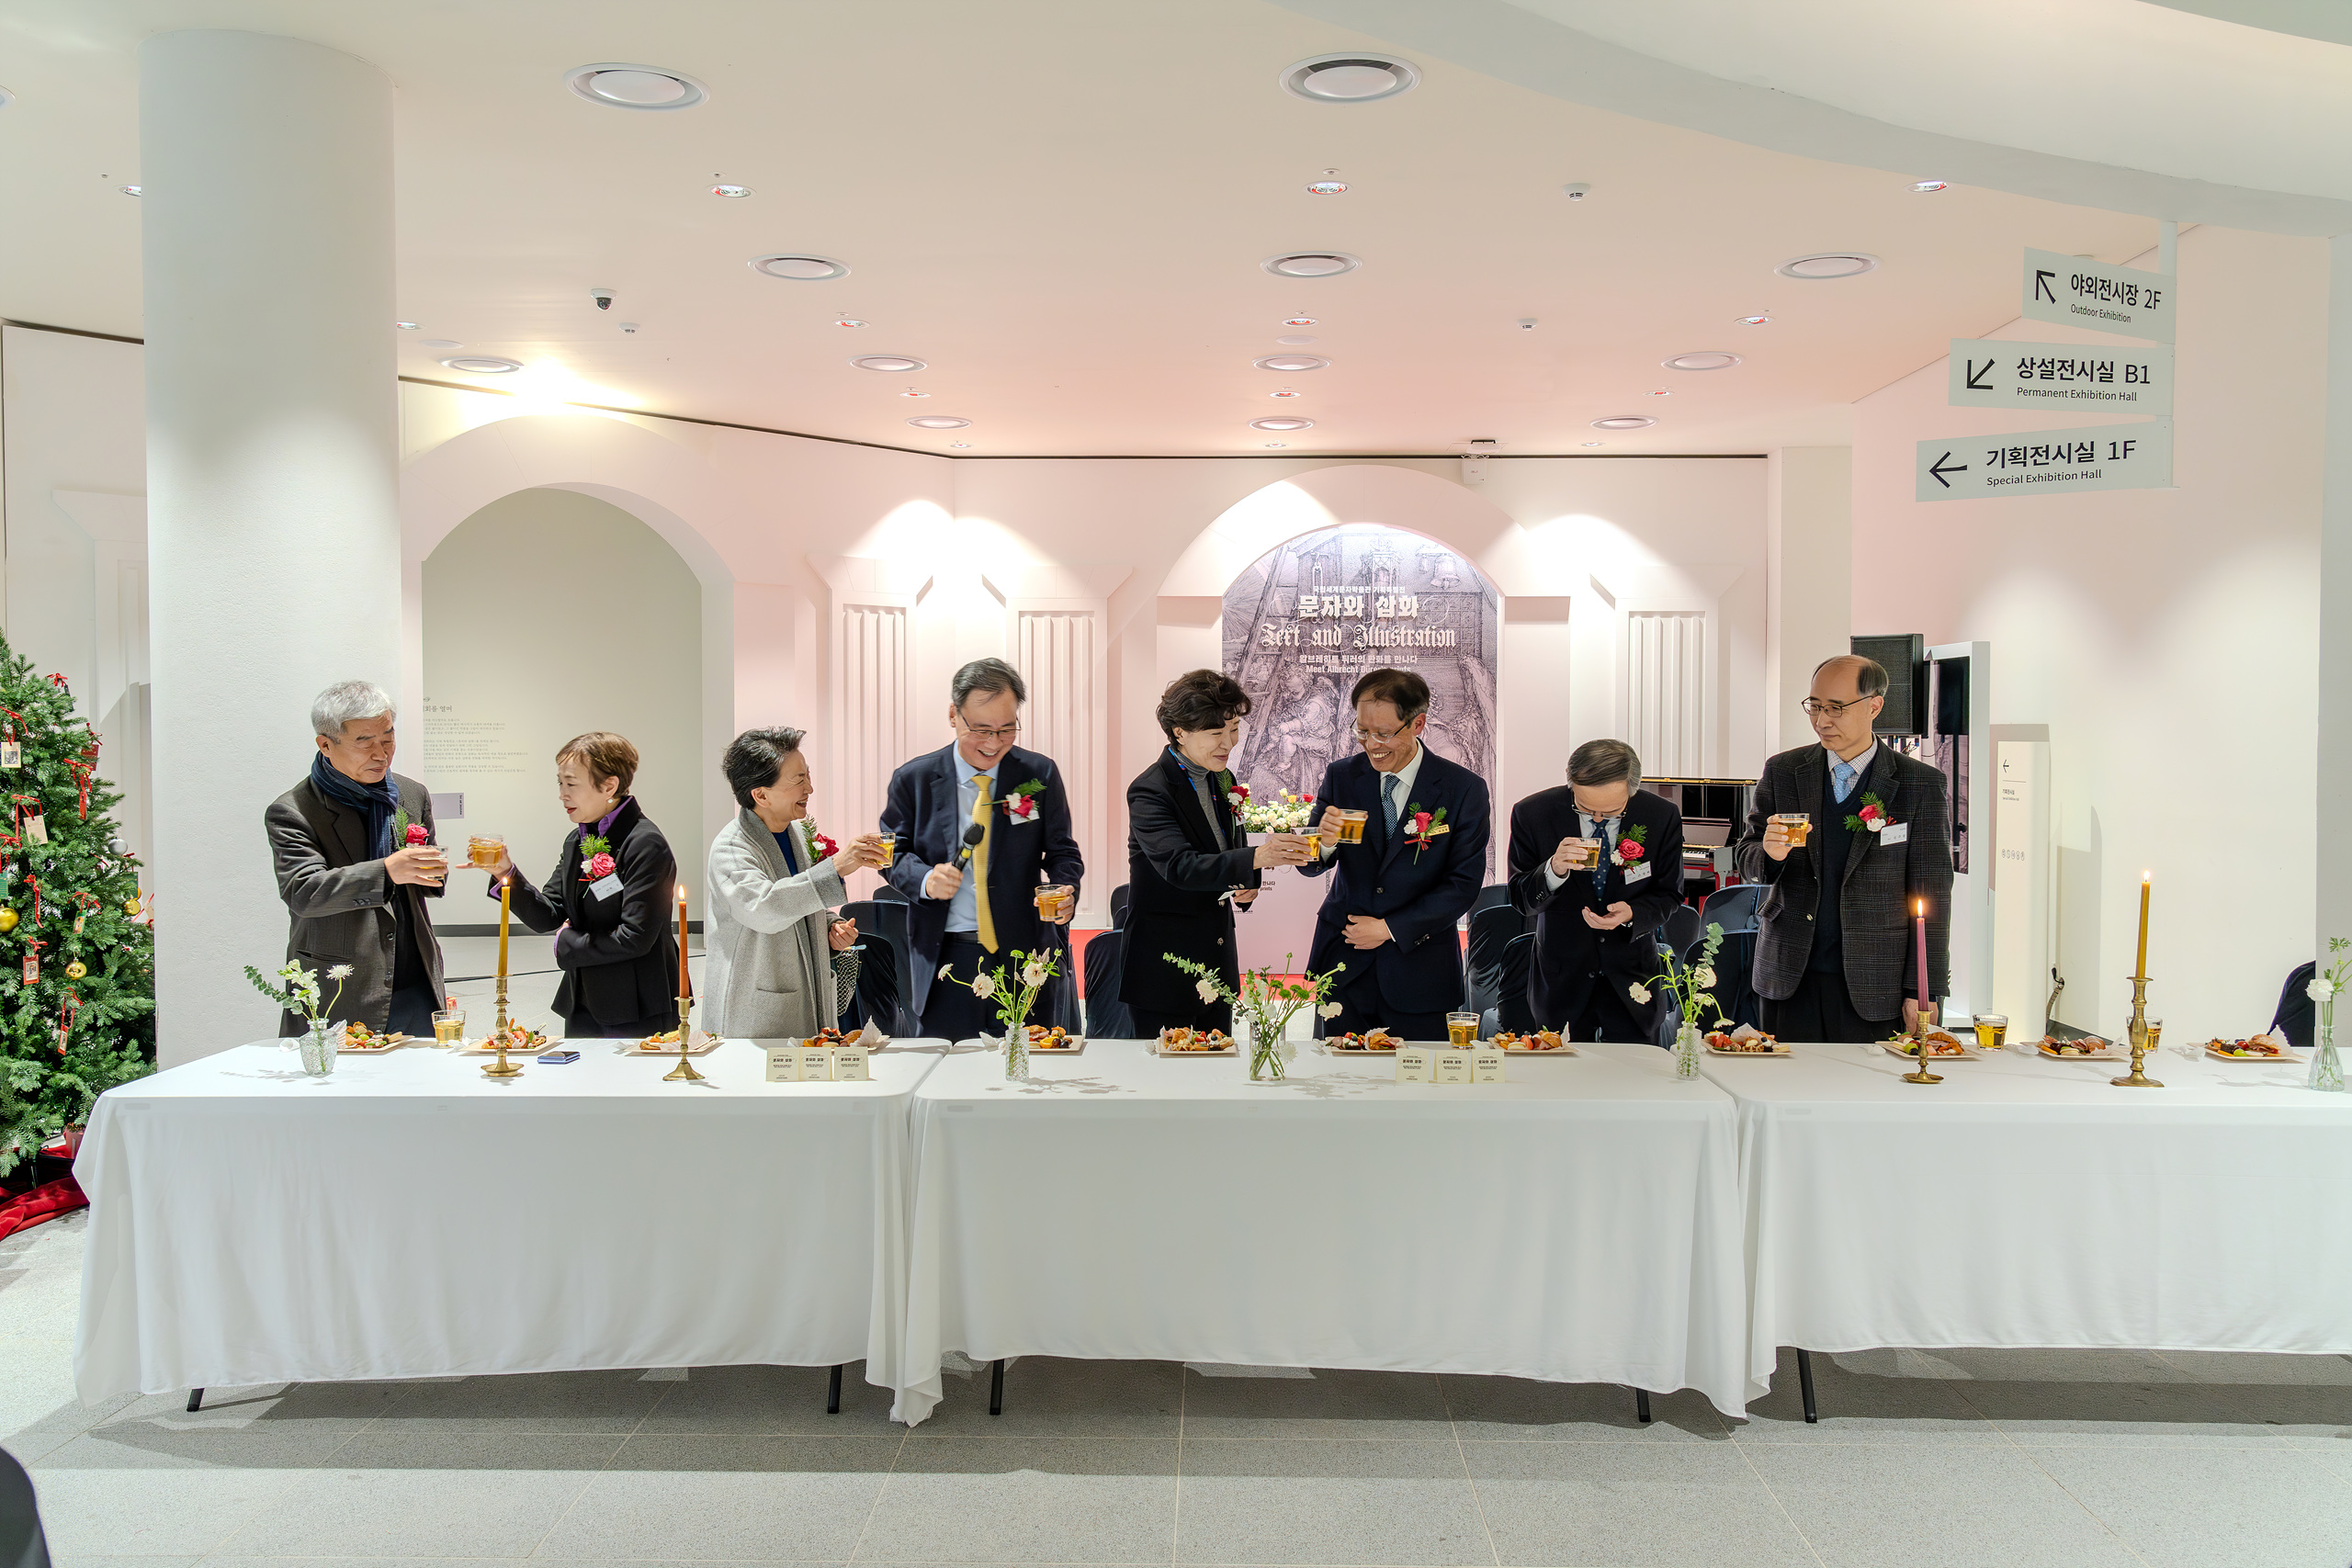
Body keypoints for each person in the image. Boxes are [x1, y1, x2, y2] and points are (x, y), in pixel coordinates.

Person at [1733, 654, 1953, 1043]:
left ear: (1874, 706)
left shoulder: (1919, 783)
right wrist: (1768, 853)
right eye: (1815, 707)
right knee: (1785, 1078)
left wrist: (1923, 988)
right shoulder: (1784, 770)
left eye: (1836, 708)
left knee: (1867, 1081)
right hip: (1789, 973)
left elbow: (1931, 892)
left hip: (1878, 981)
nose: (1822, 721)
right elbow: (1747, 857)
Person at [882, 658, 1085, 1042]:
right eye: (981, 730)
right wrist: (925, 879)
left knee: (1028, 1068)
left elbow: (1062, 851)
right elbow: (891, 854)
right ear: (953, 716)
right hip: (946, 960)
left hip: (1025, 958)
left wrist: (1065, 888)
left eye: (1006, 729)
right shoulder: (914, 779)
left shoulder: (1037, 775)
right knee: (948, 1070)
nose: (993, 743)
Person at [1117, 670, 1314, 1039]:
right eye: (1215, 733)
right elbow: (1180, 867)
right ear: (1180, 732)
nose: (1229, 743)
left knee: (1219, 1064)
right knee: (1167, 1069)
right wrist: (1256, 858)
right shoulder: (1150, 790)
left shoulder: (1221, 778)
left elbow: (1227, 846)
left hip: (1216, 959)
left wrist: (1247, 883)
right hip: (1165, 967)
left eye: (1234, 729)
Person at [1301, 667, 1492, 1041]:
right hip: (1345, 960)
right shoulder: (1342, 776)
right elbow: (1310, 864)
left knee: (1417, 1072)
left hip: (1420, 968)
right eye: (1362, 731)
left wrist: (1389, 929)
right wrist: (1324, 842)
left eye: (1384, 733)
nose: (1372, 744)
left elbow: (1463, 884)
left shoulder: (1462, 789)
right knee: (1339, 1071)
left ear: (1418, 724)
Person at [265, 680, 447, 1037]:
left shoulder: (411, 794)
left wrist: (432, 870)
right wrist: (387, 871)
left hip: (415, 978)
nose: (381, 754)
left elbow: (425, 882)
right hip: (342, 985)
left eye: (388, 738)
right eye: (365, 742)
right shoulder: (293, 811)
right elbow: (303, 891)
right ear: (325, 744)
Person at [481, 732, 682, 1040]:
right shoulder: (577, 840)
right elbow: (548, 915)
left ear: (609, 786)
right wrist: (504, 871)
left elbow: (635, 937)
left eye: (571, 784)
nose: (562, 794)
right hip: (583, 1001)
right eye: (560, 783)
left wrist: (566, 943)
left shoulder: (645, 844)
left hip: (636, 1002)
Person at [705, 727, 888, 1039]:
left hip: (804, 996)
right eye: (799, 780)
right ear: (761, 795)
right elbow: (765, 908)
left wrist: (830, 927)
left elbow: (799, 901)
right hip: (755, 1010)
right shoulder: (731, 850)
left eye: (808, 775)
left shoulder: (795, 835)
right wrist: (836, 866)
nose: (810, 788)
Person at [1506, 739, 1686, 1043]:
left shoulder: (1660, 815)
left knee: (1636, 1068)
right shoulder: (1532, 813)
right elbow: (1519, 899)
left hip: (1633, 978)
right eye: (1585, 808)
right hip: (1561, 978)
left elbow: (1670, 893)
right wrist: (1553, 870)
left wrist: (1632, 913)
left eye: (1612, 811)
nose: (1598, 818)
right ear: (1570, 782)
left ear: (1631, 791)